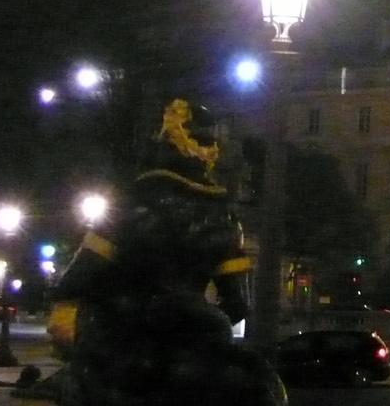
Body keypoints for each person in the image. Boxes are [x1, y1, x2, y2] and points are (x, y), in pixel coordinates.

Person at [43, 100, 284, 406]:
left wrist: (70, 315)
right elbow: (238, 302)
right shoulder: (222, 218)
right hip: (192, 336)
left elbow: (81, 276)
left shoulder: (128, 205)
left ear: (166, 144)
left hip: (122, 335)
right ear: (209, 154)